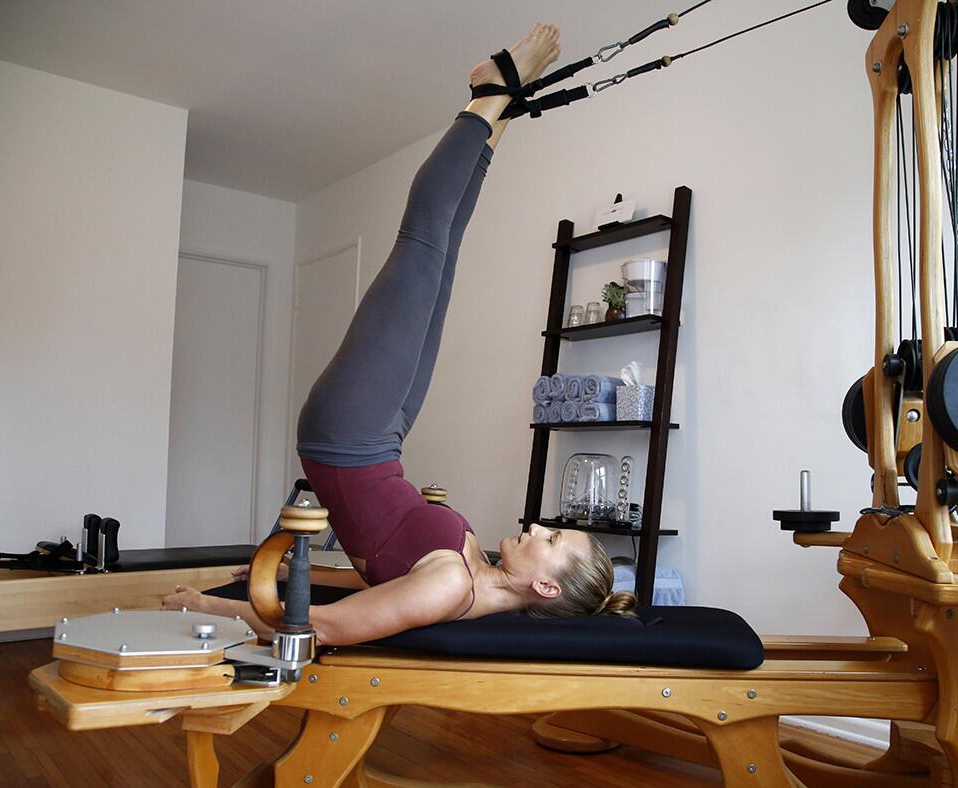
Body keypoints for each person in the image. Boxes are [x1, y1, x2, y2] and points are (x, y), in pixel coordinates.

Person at [163, 24, 637, 645]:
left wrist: (210, 603)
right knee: (442, 257)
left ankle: (491, 92)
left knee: (420, 243)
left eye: (550, 541)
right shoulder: (474, 579)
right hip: (382, 440)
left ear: (545, 588)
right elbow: (373, 585)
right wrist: (276, 575)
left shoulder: (451, 587)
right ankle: (498, 120)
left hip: (348, 437)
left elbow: (322, 629)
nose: (538, 528)